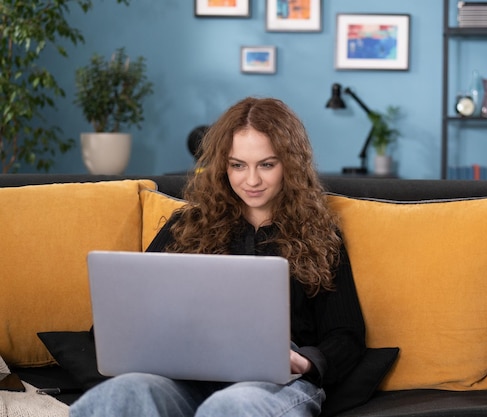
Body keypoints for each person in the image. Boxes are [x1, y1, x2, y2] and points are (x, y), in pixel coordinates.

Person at [69, 97, 366, 417]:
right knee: (123, 393)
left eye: (267, 164)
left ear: (290, 164)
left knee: (231, 406)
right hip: (183, 378)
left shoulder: (319, 232)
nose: (251, 180)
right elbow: (130, 317)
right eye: (238, 165)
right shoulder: (187, 225)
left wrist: (305, 361)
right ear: (222, 165)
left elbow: (346, 335)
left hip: (272, 385)